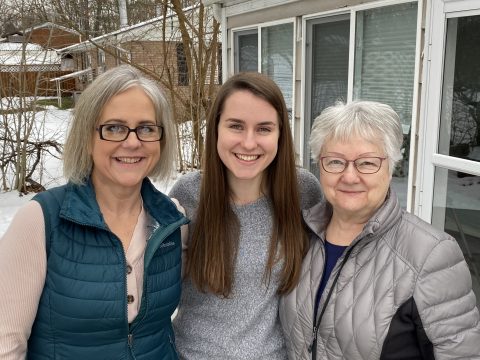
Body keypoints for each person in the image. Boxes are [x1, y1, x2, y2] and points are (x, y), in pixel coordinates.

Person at [0, 65, 188, 359]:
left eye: (147, 128)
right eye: (114, 127)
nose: (132, 141)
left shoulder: (171, 220)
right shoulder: (41, 221)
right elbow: (6, 344)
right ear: (87, 137)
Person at [280, 100, 480, 359]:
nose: (349, 176)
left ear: (391, 166)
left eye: (366, 163)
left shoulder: (430, 255)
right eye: (335, 161)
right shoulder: (301, 236)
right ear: (319, 164)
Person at [169, 72, 322, 359]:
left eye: (264, 129)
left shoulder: (303, 193)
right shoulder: (187, 195)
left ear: (280, 134)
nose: (249, 143)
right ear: (216, 129)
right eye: (236, 126)